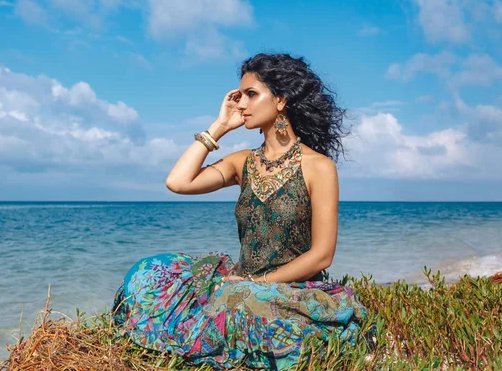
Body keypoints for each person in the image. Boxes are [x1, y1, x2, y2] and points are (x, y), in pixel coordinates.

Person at [112, 53, 367, 370]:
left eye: (251, 94)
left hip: (286, 292)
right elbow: (178, 182)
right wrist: (219, 127)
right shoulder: (241, 162)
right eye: (239, 95)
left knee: (248, 309)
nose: (241, 104)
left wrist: (258, 283)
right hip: (237, 282)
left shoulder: (319, 168)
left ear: (280, 101)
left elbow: (321, 256)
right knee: (150, 271)